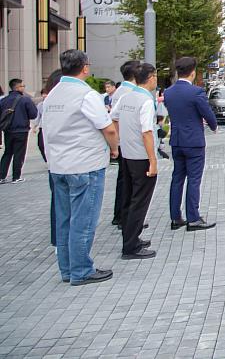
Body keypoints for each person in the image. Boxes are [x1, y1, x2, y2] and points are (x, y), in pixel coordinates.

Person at [42, 49, 119, 286]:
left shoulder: (52, 95)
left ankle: (67, 269)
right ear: (85, 68)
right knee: (83, 220)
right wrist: (114, 149)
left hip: (58, 166)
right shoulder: (87, 95)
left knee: (64, 219)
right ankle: (81, 270)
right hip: (85, 165)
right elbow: (108, 128)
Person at [163, 57, 218, 231]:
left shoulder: (168, 92)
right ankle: (193, 218)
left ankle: (175, 217)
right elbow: (207, 113)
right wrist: (214, 125)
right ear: (193, 72)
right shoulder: (196, 92)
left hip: (177, 141)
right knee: (194, 179)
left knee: (177, 178)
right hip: (193, 142)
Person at [112, 63, 159, 260]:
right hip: (142, 157)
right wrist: (153, 161)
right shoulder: (146, 101)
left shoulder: (126, 97)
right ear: (150, 78)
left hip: (127, 154)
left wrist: (120, 141)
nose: (156, 79)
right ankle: (131, 247)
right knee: (140, 202)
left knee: (129, 198)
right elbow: (147, 132)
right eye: (155, 76)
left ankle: (130, 239)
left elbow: (113, 118)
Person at [34, 71, 62, 246]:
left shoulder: (47, 103)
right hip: (71, 162)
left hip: (55, 161)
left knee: (57, 201)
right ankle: (63, 240)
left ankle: (57, 239)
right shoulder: (67, 102)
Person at [111, 61, 140, 228]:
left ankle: (120, 215)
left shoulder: (120, 90)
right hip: (127, 142)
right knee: (129, 181)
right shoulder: (129, 92)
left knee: (123, 180)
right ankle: (124, 216)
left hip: (122, 141)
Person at [0, 79, 38, 184]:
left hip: (7, 130)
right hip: (21, 130)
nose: (24, 87)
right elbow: (33, 114)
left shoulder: (3, 100)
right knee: (19, 153)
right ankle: (16, 177)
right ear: (17, 88)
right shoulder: (25, 100)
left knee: (7, 153)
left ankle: (1, 176)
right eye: (22, 86)